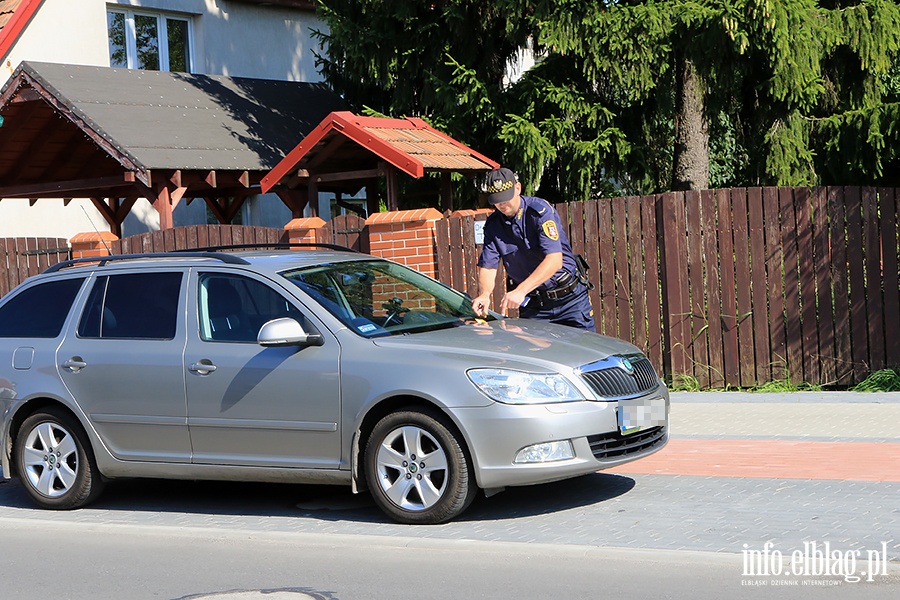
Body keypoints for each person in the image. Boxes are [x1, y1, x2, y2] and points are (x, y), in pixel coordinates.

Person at [471, 168, 595, 331]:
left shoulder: (539, 212)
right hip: (535, 306)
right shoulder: (493, 226)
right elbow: (488, 265)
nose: (502, 204)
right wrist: (485, 294)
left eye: (506, 197)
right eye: (497, 200)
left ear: (518, 188)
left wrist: (520, 290)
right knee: (535, 355)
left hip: (570, 301)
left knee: (584, 353)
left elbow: (554, 260)